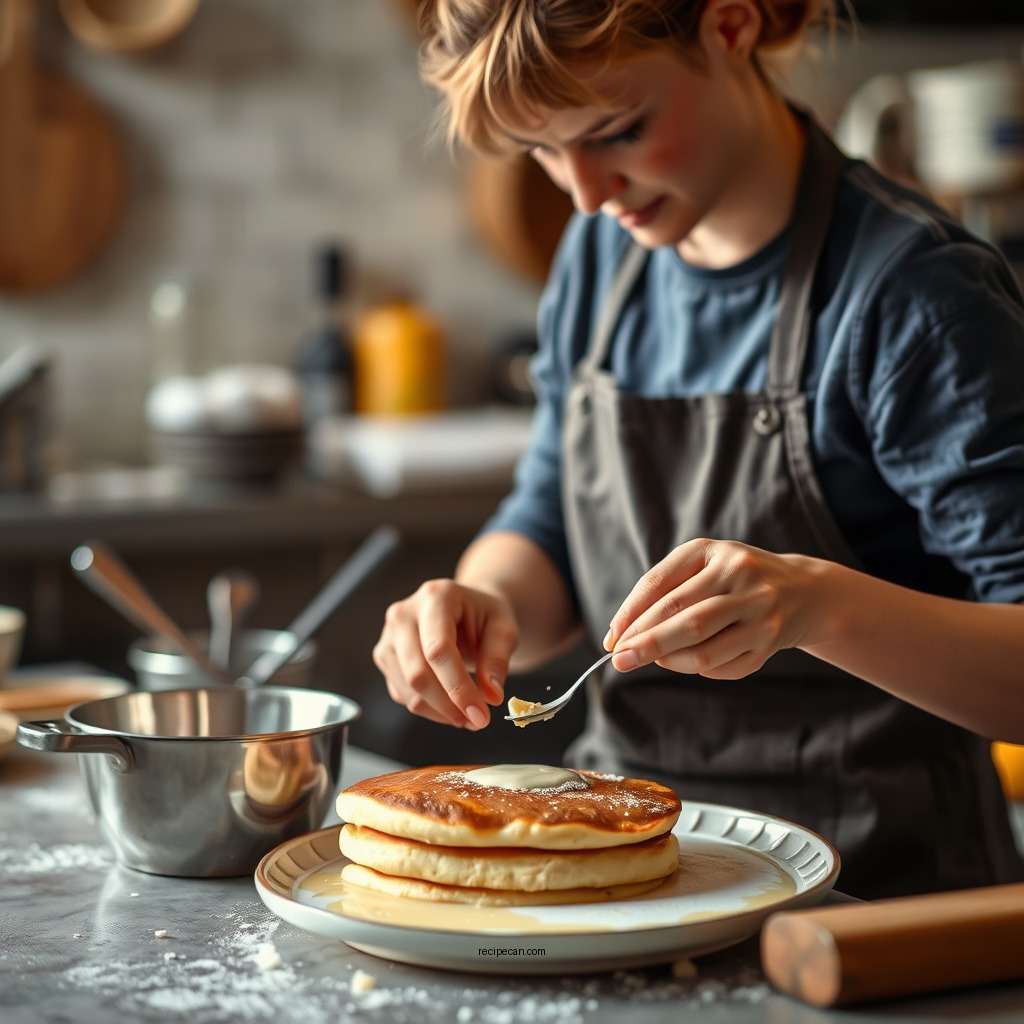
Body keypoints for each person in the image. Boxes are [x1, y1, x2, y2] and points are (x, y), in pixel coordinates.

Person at [373, 0, 1024, 898]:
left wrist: (814, 605)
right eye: (542, 150)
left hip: (873, 902)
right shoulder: (601, 261)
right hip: (624, 877)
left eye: (618, 131)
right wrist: (484, 598)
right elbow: (552, 515)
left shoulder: (914, 297)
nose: (586, 192)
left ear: (731, 26)